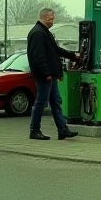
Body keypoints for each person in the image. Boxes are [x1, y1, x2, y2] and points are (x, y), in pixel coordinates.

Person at [26, 7, 80, 140]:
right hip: (46, 75)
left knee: (55, 101)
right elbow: (38, 56)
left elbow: (55, 50)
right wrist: (46, 73)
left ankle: (62, 129)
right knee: (40, 102)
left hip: (51, 74)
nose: (52, 21)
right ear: (43, 17)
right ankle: (34, 130)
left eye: (53, 18)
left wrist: (73, 56)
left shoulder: (45, 32)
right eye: (51, 18)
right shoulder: (38, 33)